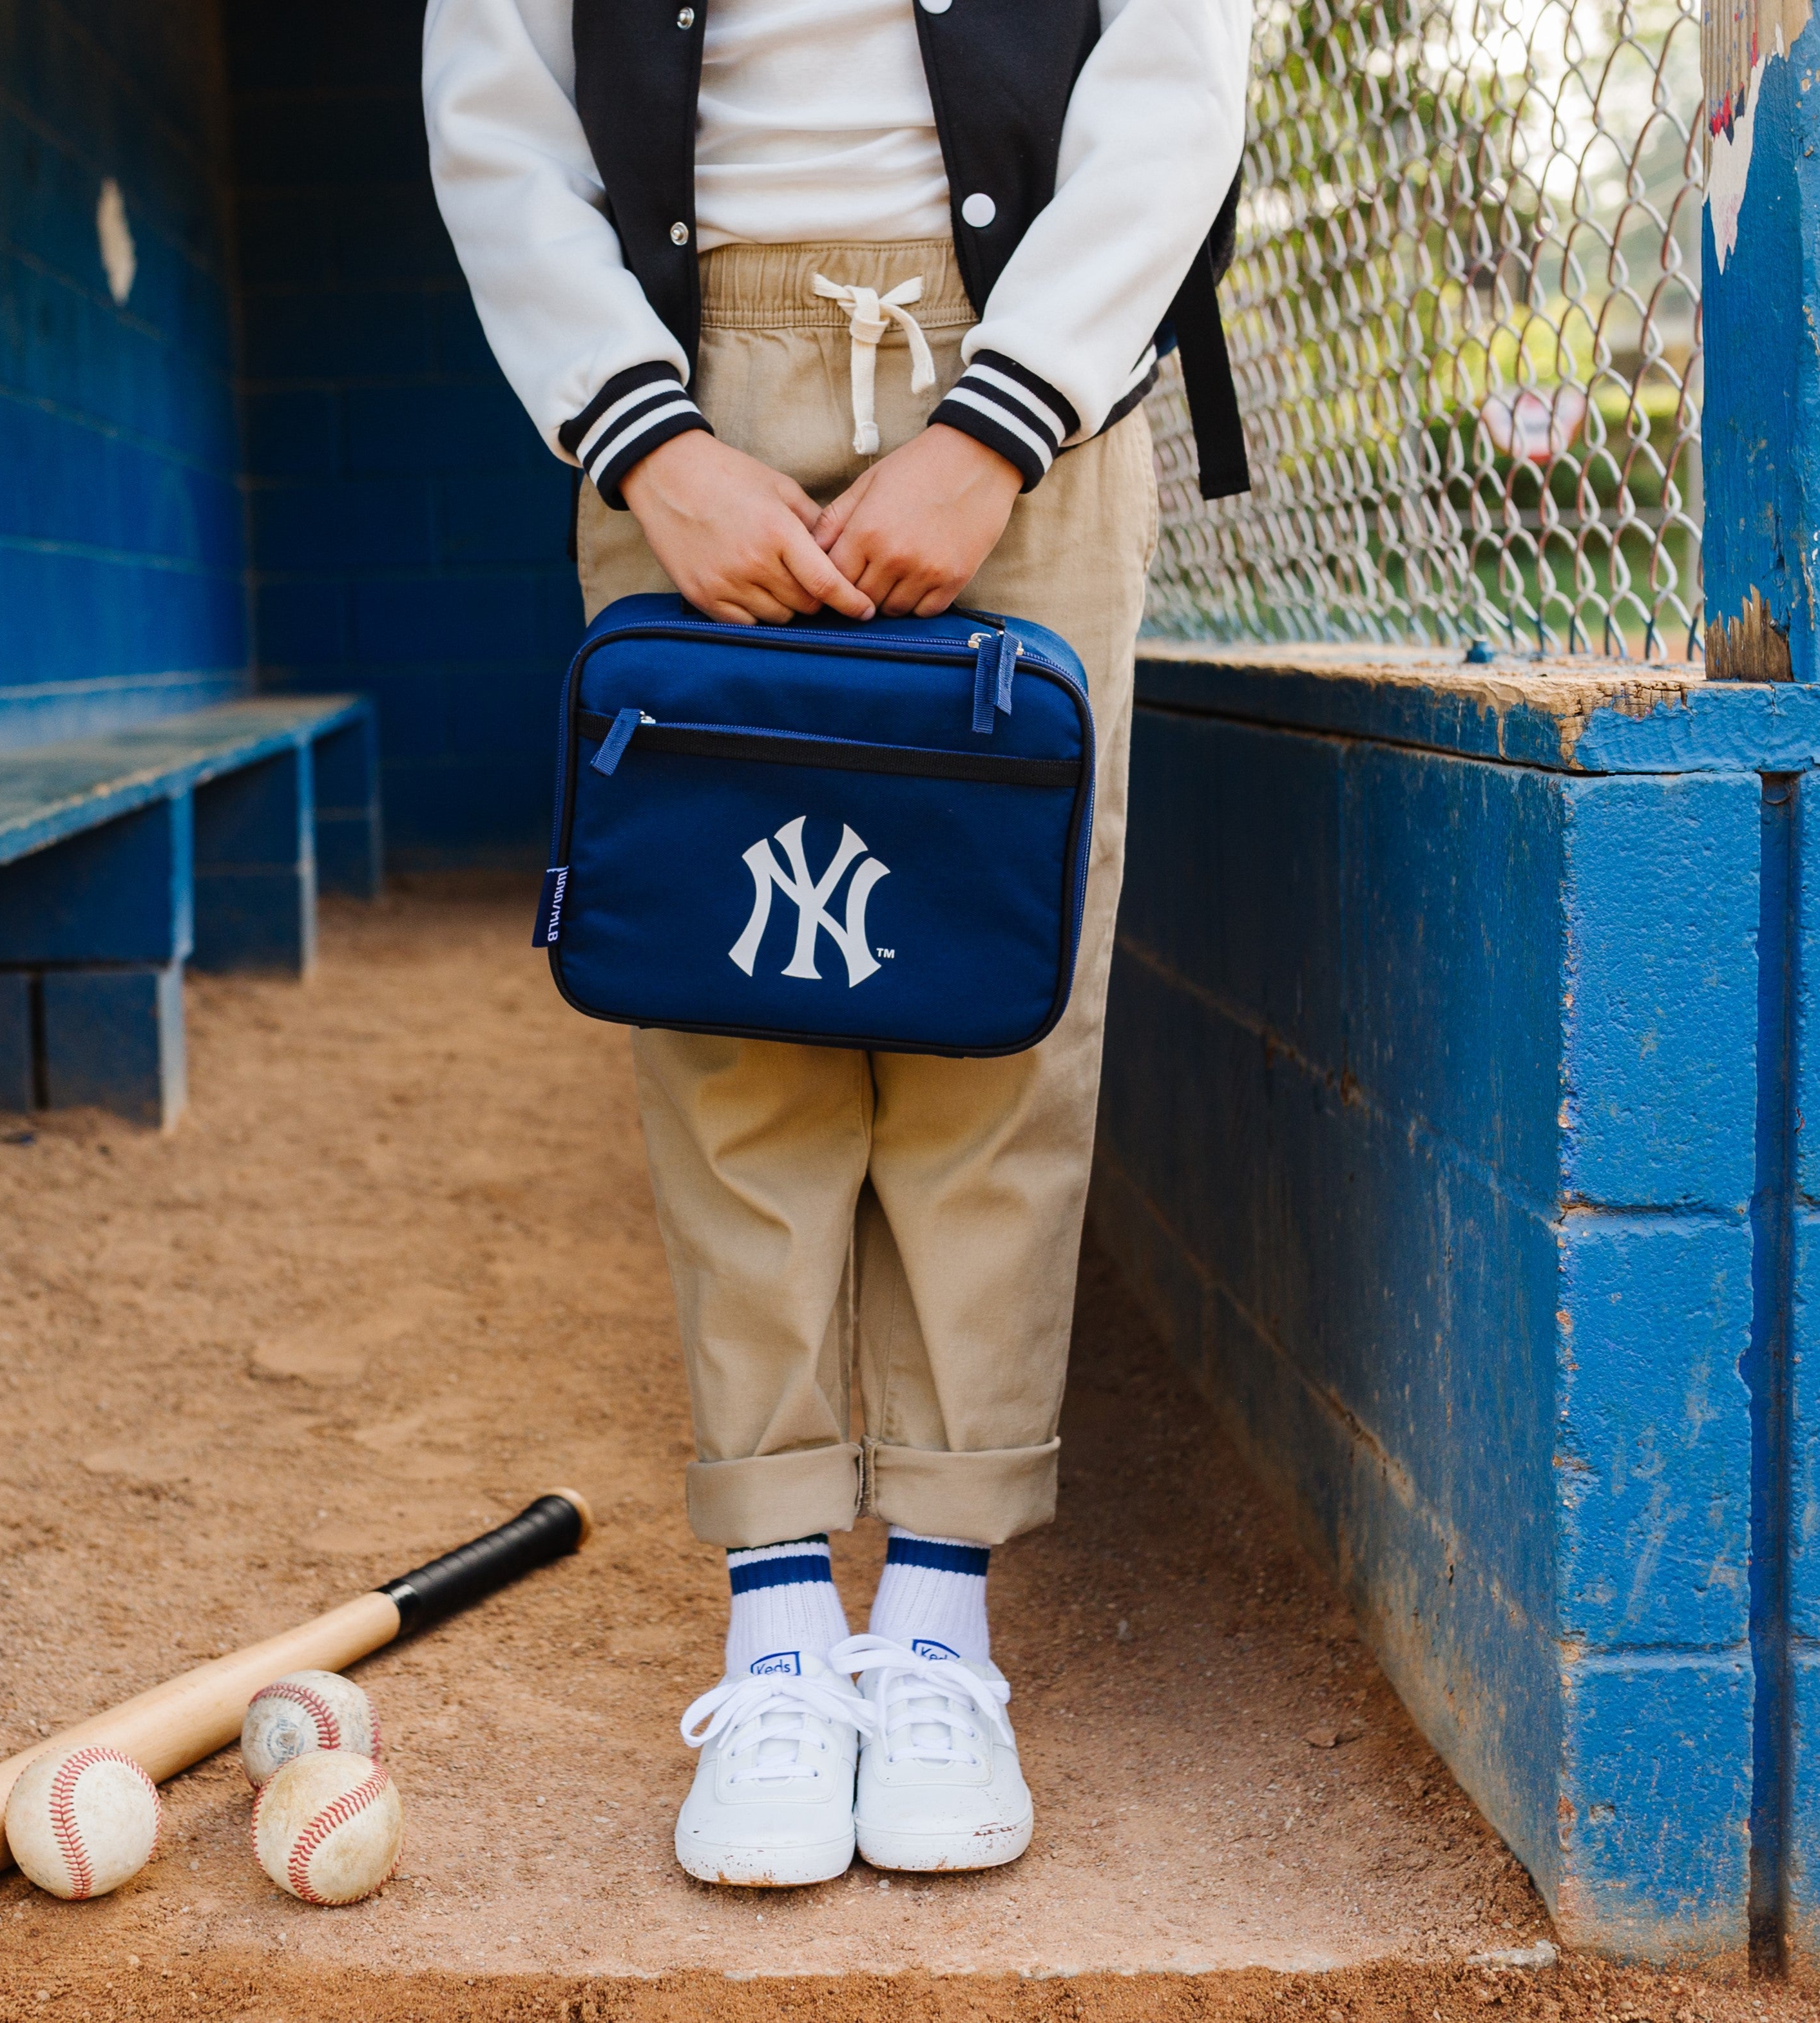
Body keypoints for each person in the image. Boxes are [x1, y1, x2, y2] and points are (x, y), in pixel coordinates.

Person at [423, 0, 1252, 1887]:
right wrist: (646, 442)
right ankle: (782, 1623)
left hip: (1029, 377)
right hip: (686, 391)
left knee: (993, 1013)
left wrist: (1001, 421)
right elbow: (493, 98)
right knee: (728, 1015)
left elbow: (1178, 76)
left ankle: (939, 1627)